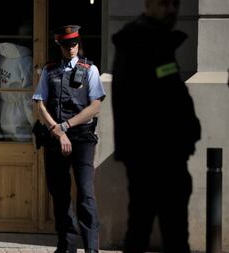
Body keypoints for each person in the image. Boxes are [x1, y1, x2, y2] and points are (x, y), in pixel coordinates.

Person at [111, 0, 201, 252]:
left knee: (151, 229)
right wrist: (184, 131)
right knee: (154, 231)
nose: (172, 10)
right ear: (148, 4)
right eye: (164, 4)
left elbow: (170, 92)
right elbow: (155, 100)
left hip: (160, 153)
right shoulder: (142, 42)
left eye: (175, 4)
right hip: (155, 155)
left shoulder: (152, 40)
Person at [32, 25, 105, 253]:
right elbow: (39, 103)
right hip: (55, 137)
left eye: (74, 44)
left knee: (85, 193)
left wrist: (66, 126)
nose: (71, 49)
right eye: (66, 45)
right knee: (60, 194)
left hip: (81, 137)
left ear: (78, 44)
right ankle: (67, 246)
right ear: (60, 46)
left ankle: (91, 248)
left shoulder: (89, 69)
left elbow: (95, 107)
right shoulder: (50, 70)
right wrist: (57, 130)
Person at [0, 42, 34, 141]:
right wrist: (34, 120)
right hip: (20, 113)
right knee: (22, 151)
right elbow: (28, 94)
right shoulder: (26, 61)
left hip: (4, 110)